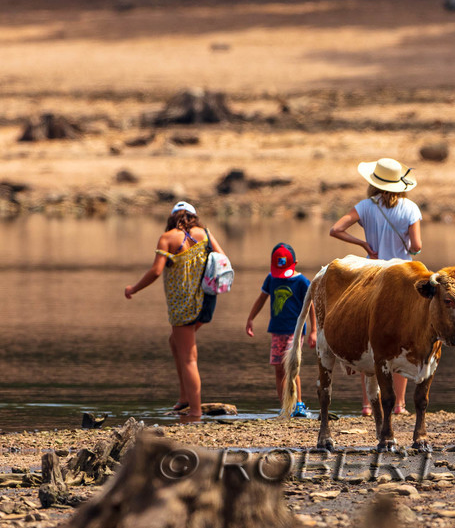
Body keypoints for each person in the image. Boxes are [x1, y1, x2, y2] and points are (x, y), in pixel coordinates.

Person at [329, 157, 424, 416]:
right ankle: (400, 405)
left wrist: (363, 244)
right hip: (402, 277)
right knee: (402, 342)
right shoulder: (411, 208)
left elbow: (335, 229)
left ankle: (368, 405)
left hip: (373, 274)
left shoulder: (365, 207)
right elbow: (416, 247)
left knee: (371, 342)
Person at [124, 200, 228, 422]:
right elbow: (223, 259)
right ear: (193, 217)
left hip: (182, 306)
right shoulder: (205, 233)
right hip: (205, 303)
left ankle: (195, 412)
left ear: (172, 217)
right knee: (175, 343)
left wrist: (133, 288)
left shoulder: (167, 238)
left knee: (189, 357)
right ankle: (184, 398)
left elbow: (156, 271)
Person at [244, 243, 315, 418]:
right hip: (277, 331)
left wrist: (314, 330)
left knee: (292, 368)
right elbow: (261, 299)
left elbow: (310, 305)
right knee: (278, 368)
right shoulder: (272, 278)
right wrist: (250, 318)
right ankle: (284, 406)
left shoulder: (301, 282)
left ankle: (298, 405)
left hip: (295, 331)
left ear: (295, 263)